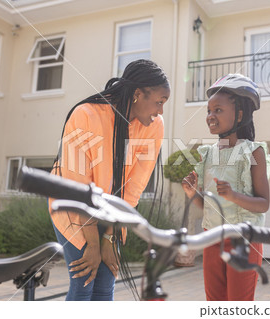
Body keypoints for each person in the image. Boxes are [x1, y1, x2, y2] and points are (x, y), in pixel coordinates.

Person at [49, 59, 170, 301]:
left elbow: (133, 188)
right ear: (137, 95)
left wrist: (109, 237)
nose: (161, 111)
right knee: (86, 280)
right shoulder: (86, 115)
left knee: (105, 284)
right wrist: (93, 244)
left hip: (113, 212)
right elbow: (77, 188)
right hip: (72, 208)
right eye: (159, 102)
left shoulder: (154, 126)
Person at [182, 74, 270, 301]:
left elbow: (263, 204)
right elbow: (207, 206)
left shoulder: (254, 153)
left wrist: (233, 195)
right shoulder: (208, 154)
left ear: (240, 114)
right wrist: (193, 194)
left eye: (218, 110)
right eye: (209, 111)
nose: (211, 116)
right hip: (212, 239)